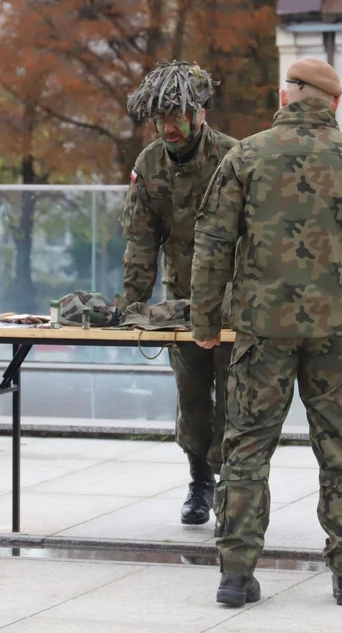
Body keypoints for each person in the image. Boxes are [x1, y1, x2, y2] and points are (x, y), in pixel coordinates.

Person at [190, 59, 342, 607]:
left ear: (286, 98)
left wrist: (203, 321)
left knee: (246, 448)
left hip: (262, 331)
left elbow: (212, 242)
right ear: (333, 104)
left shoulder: (247, 154)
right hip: (339, 332)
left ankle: (235, 576)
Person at [119, 61, 240, 529]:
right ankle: (199, 480)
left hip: (233, 299)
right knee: (191, 392)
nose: (170, 126)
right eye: (161, 118)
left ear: (201, 113)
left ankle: (231, 483)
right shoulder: (149, 165)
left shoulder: (235, 158)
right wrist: (131, 305)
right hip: (181, 300)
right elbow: (141, 241)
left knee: (233, 394)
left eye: (179, 115)